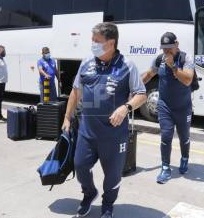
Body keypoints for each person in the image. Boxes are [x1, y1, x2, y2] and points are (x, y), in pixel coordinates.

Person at [62, 22, 146, 218]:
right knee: (80, 165)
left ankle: (108, 204)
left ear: (111, 43)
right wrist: (67, 117)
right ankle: (89, 193)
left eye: (97, 41)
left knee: (112, 176)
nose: (93, 45)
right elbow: (75, 92)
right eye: (92, 41)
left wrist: (125, 108)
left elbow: (141, 94)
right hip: (87, 132)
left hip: (114, 135)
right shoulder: (86, 63)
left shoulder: (127, 65)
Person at [142, 32, 195, 184]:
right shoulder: (159, 59)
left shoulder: (186, 58)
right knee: (166, 136)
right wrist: (135, 88)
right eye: (163, 48)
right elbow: (148, 75)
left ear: (176, 44)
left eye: (169, 48)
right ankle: (165, 168)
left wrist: (173, 66)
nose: (166, 52)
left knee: (184, 136)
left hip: (183, 107)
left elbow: (187, 80)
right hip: (165, 106)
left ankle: (184, 158)